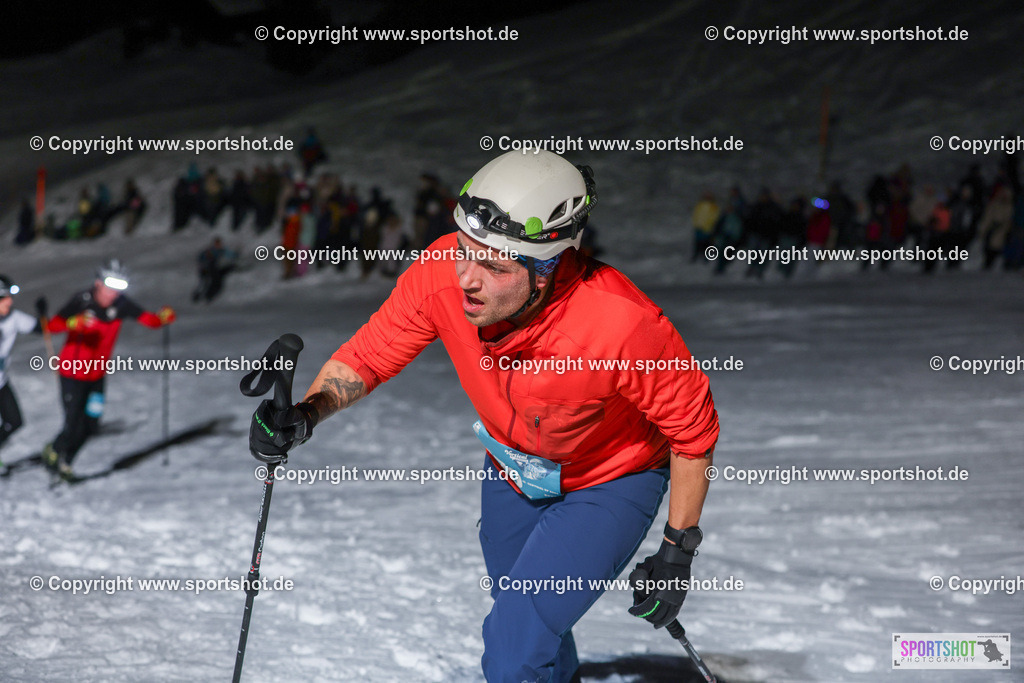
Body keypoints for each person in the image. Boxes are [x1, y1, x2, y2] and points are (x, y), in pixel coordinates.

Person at [248, 151, 719, 682]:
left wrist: (677, 552)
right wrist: (307, 414)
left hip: (610, 480)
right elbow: (369, 356)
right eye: (465, 253)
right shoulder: (441, 274)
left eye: (494, 267)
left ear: (547, 268)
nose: (467, 278)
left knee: (514, 644)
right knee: (527, 622)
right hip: (513, 469)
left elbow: (693, 432)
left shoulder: (621, 325)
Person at [42, 260, 175, 480]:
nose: (113, 293)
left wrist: (162, 318)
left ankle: (65, 458)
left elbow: (148, 320)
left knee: (92, 423)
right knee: (73, 422)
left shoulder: (121, 305)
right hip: (72, 373)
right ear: (98, 283)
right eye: (109, 286)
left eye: (119, 288)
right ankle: (56, 452)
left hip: (97, 375)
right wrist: (73, 323)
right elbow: (52, 325)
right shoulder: (81, 300)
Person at [0, 277, 43, 464]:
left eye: (9, 296)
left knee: (14, 422)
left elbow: (42, 328)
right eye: (3, 298)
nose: (9, 301)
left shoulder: (14, 318)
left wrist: (43, 314)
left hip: (1, 381)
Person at [193, 238, 239, 303]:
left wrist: (235, 254)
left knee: (215, 284)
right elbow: (201, 258)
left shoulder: (221, 250)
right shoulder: (209, 251)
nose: (218, 245)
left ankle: (208, 296)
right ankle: (198, 297)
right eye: (217, 244)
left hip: (214, 270)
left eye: (219, 244)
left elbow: (230, 254)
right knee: (204, 283)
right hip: (206, 270)